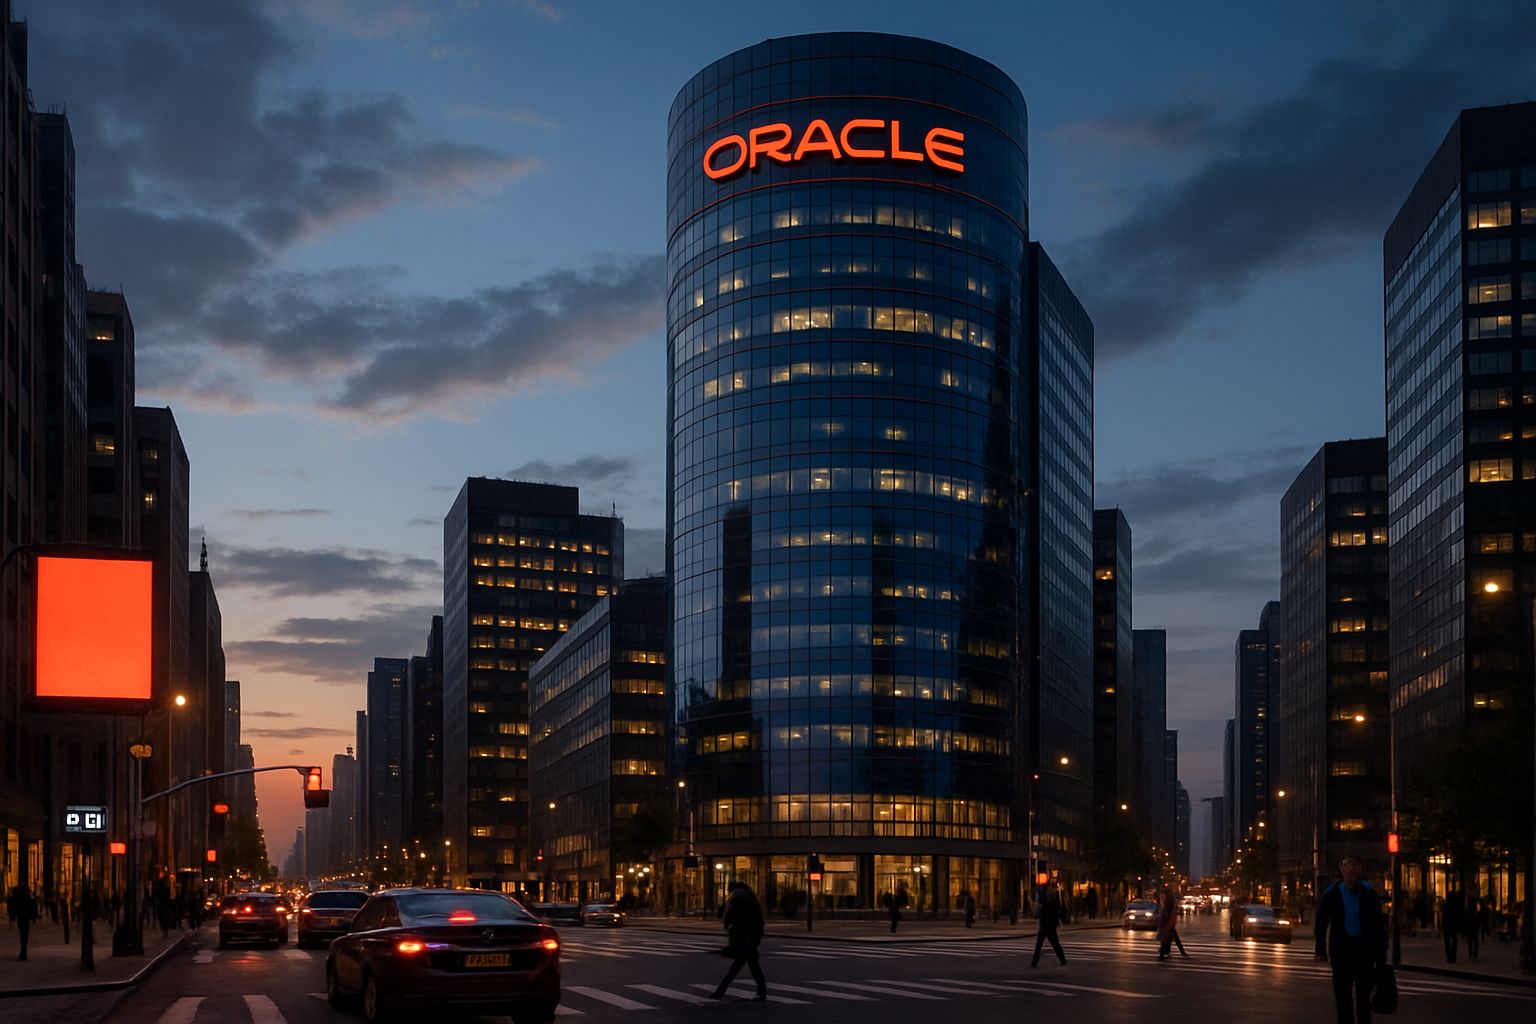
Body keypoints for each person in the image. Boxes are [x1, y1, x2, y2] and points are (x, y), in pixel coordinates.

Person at [1314, 855, 1387, 1024]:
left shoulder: (1369, 893)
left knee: (1364, 997)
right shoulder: (1332, 893)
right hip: (1341, 950)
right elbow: (1321, 923)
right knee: (1342, 996)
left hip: (1365, 950)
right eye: (1349, 864)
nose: (1353, 869)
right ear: (1341, 867)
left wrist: (1381, 953)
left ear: (1361, 869)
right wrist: (1320, 950)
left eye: (1356, 864)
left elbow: (1378, 925)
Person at [710, 882, 767, 1001]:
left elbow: (731, 917)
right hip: (751, 938)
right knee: (752, 967)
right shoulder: (751, 899)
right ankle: (762, 992)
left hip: (744, 938)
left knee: (737, 968)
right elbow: (758, 922)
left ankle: (719, 992)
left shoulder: (738, 900)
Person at [1030, 886, 1067, 968]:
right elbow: (1057, 912)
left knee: (1041, 945)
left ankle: (1034, 962)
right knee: (1054, 944)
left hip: (1046, 926)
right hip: (1049, 926)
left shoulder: (1046, 904)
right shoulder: (1053, 903)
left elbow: (1042, 914)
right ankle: (1062, 959)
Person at [8, 884, 39, 961]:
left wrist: (13, 916)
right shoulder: (29, 899)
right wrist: (33, 917)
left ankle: (23, 951)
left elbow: (13, 907)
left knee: (22, 935)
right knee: (25, 935)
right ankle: (23, 950)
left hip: (21, 919)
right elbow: (33, 907)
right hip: (25, 919)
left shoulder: (18, 899)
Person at [1157, 888, 1188, 960]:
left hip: (1168, 924)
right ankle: (1164, 953)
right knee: (1170, 939)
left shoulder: (1166, 903)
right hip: (1168, 924)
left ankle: (1164, 953)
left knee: (1167, 939)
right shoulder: (1168, 904)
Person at [1442, 888, 1463, 964]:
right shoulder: (1456, 906)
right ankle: (1453, 956)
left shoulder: (1446, 905)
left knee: (1447, 942)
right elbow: (1458, 916)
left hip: (1447, 926)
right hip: (1453, 925)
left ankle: (1449, 956)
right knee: (1454, 941)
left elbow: (1444, 916)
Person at [1464, 894, 1483, 961]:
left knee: (1470, 940)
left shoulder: (1468, 911)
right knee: (1475, 940)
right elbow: (1479, 920)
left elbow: (1466, 920)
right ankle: (1475, 953)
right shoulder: (1476, 912)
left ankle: (1470, 953)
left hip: (1470, 927)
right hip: (1475, 927)